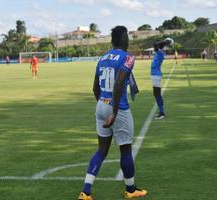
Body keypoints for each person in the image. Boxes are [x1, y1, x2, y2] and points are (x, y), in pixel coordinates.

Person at [78, 26, 147, 200]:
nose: (128, 39)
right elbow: (118, 84)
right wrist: (114, 112)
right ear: (124, 38)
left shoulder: (103, 58)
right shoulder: (128, 58)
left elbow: (95, 87)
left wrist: (103, 105)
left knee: (101, 150)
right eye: (127, 36)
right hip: (118, 108)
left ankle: (85, 192)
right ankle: (130, 190)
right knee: (125, 150)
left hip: (101, 104)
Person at [150, 38, 173, 119]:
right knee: (156, 94)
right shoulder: (159, 52)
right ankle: (161, 111)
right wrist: (164, 42)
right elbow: (156, 45)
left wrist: (164, 41)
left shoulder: (160, 53)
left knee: (157, 94)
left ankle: (162, 113)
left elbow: (155, 44)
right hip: (155, 75)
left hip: (156, 75)